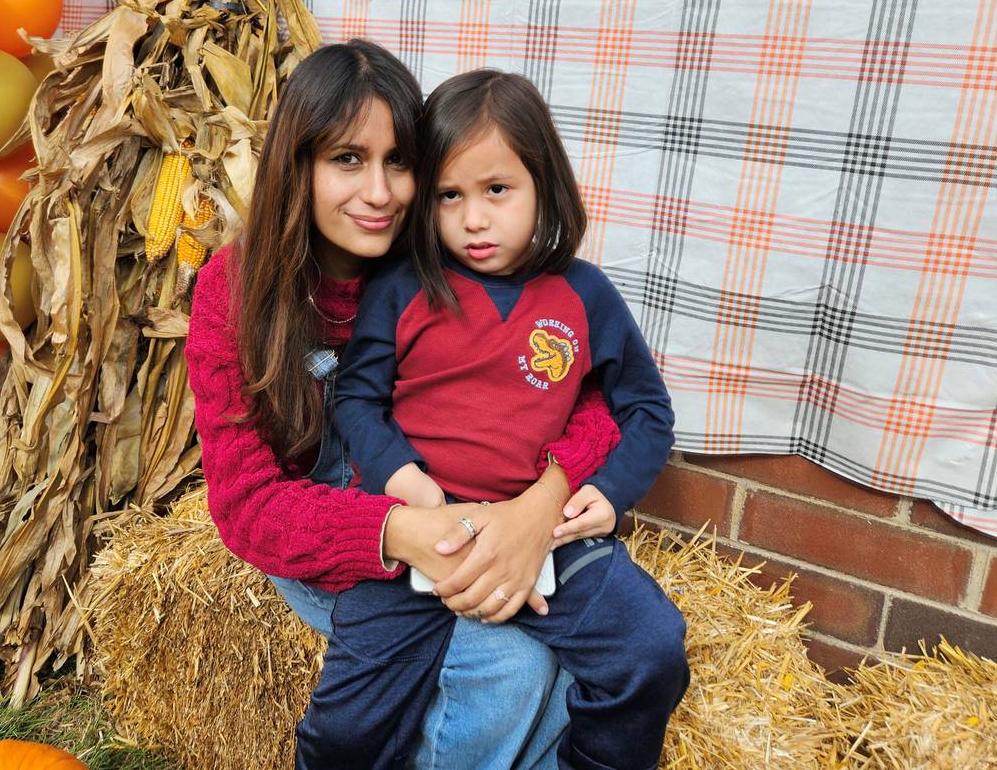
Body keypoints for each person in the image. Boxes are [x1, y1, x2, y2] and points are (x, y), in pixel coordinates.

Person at [186, 42, 631, 768]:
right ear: (297, 165)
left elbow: (587, 396)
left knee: (579, 663)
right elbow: (246, 502)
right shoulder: (233, 293)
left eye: (398, 161)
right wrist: (399, 529)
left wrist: (543, 500)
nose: (380, 192)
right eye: (347, 159)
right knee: (509, 668)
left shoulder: (452, 265)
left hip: (468, 510)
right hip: (330, 529)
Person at [295, 69, 690, 770]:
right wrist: (406, 484)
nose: (473, 219)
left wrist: (609, 492)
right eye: (450, 195)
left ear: (545, 185)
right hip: (420, 533)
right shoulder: (404, 286)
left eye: (497, 190)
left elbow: (645, 408)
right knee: (347, 731)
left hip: (546, 539)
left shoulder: (584, 295)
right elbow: (356, 399)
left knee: (651, 652)